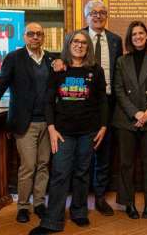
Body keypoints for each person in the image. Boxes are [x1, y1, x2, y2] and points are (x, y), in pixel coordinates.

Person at [0, 22, 55, 223]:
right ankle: (23, 206)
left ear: (43, 37)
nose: (35, 37)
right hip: (25, 123)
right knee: (28, 166)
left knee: (43, 165)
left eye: (39, 34)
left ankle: (39, 203)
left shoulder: (50, 59)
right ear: (24, 36)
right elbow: (0, 85)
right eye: (31, 34)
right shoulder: (14, 58)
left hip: (48, 123)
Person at [29, 30, 108, 234]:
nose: (79, 45)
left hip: (88, 131)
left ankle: (79, 211)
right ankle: (52, 220)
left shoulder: (96, 71)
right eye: (75, 41)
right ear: (69, 44)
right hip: (63, 131)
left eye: (83, 42)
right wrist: (52, 128)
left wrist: (103, 126)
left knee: (82, 173)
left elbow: (102, 101)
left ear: (88, 47)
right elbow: (48, 101)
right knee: (60, 174)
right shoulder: (58, 68)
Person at [114, 21, 147, 219]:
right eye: (134, 33)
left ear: (146, 35)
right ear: (130, 37)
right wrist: (135, 113)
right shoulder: (121, 61)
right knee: (126, 164)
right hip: (126, 119)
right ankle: (128, 203)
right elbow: (119, 90)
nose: (137, 36)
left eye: (141, 33)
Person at [82, 0, 123, 216]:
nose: (98, 16)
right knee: (82, 150)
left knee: (104, 151)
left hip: (107, 103)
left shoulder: (115, 40)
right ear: (86, 16)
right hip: (81, 103)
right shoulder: (77, 38)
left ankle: (99, 196)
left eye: (102, 12)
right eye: (93, 13)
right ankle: (81, 197)